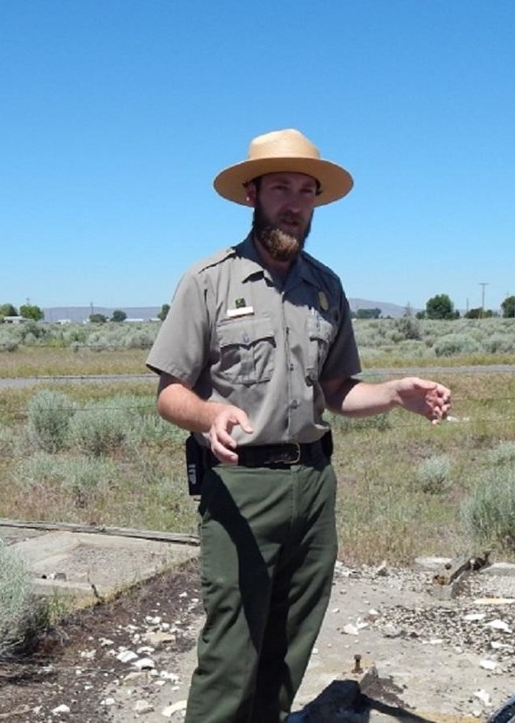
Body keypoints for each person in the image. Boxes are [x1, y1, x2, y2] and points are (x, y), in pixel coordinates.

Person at [146, 128, 452, 722]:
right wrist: (209, 414)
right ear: (251, 195)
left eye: (306, 190)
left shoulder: (326, 287)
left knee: (290, 644)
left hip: (313, 485)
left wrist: (393, 393)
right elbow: (169, 393)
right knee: (232, 648)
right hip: (241, 487)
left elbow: (336, 390)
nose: (294, 201)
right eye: (280, 187)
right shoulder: (208, 281)